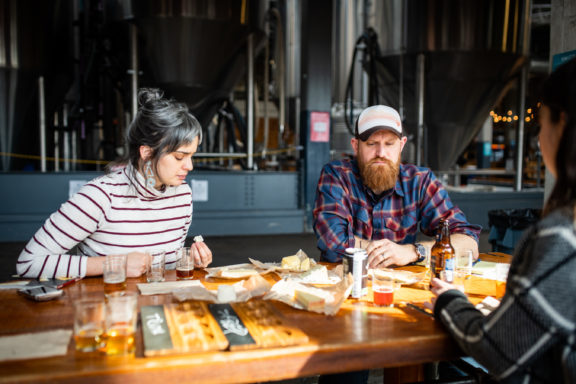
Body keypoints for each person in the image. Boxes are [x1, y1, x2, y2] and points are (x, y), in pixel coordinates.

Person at [426, 57, 576, 383]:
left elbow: (496, 348)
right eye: (373, 143)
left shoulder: (561, 238)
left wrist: (449, 298)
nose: (538, 138)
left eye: (541, 123)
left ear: (562, 124)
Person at [17, 88, 212, 279]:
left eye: (192, 155)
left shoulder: (182, 196)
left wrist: (191, 262)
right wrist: (117, 263)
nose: (190, 166)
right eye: (180, 157)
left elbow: (163, 268)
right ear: (147, 153)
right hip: (108, 307)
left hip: (162, 309)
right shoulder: (99, 197)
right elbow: (29, 263)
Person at [313, 104, 481, 269]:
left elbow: (469, 244)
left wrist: (413, 251)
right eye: (372, 144)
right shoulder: (336, 175)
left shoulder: (420, 181)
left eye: (389, 144)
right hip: (347, 285)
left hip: (399, 288)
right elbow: (332, 244)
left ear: (401, 145)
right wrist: (388, 253)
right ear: (356, 146)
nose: (381, 153)